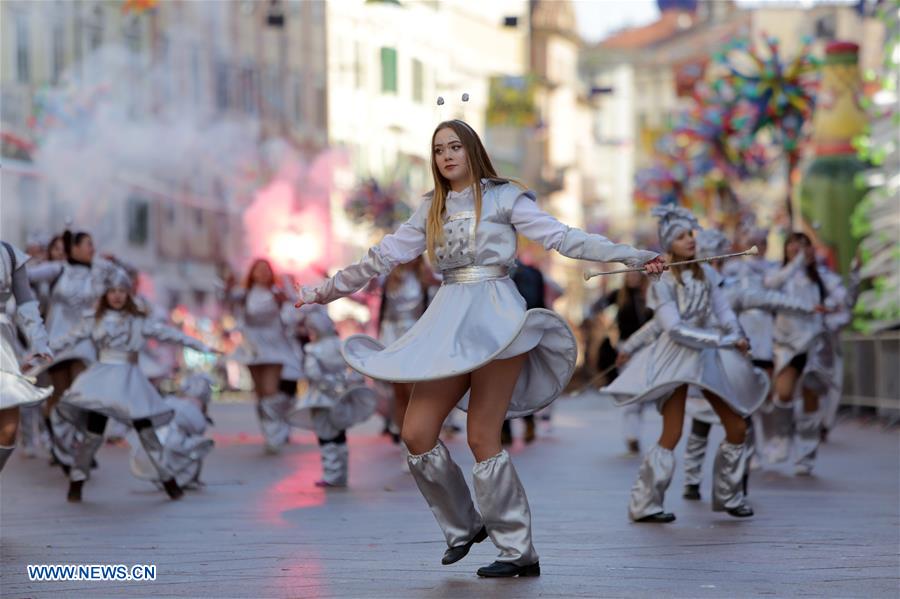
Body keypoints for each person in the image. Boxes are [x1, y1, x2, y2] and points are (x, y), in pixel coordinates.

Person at [297, 118, 663, 577]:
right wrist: (324, 290)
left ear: (471, 149)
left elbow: (562, 237)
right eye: (438, 150)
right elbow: (381, 257)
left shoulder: (506, 196)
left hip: (498, 320)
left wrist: (633, 256)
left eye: (454, 146)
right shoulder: (431, 207)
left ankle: (517, 549)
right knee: (416, 432)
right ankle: (466, 524)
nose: (446, 156)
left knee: (481, 437)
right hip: (447, 321)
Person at [601, 206, 766, 522]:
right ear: (667, 244)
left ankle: (730, 495)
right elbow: (670, 327)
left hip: (707, 356)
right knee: (672, 432)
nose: (690, 240)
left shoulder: (707, 273)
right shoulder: (661, 282)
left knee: (736, 426)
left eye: (691, 233)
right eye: (680, 236)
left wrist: (736, 333)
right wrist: (632, 346)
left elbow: (724, 313)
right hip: (675, 358)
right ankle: (645, 503)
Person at [50, 267, 215, 502]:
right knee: (93, 435)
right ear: (105, 294)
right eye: (112, 291)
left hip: (130, 383)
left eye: (122, 291)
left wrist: (202, 346)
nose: (117, 296)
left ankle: (168, 479)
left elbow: (169, 334)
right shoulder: (93, 320)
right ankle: (77, 479)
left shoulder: (138, 321)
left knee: (147, 432)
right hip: (102, 383)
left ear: (129, 293)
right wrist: (43, 352)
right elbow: (68, 339)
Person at [764, 232, 849, 475]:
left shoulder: (823, 279)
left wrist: (831, 314)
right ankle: (781, 437)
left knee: (811, 398)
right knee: (783, 393)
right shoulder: (777, 274)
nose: (798, 248)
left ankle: (806, 453)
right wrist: (795, 265)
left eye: (804, 244)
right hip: (786, 345)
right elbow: (770, 287)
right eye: (793, 243)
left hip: (813, 344)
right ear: (786, 248)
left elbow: (843, 306)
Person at [288, 306, 376, 487]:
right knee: (340, 434)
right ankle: (340, 474)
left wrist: (329, 386)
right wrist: (345, 383)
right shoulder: (341, 345)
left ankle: (332, 474)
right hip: (341, 397)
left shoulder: (313, 349)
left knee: (326, 436)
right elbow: (356, 369)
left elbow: (313, 373)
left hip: (320, 399)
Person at [225, 259, 302, 454]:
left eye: (266, 269)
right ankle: (269, 433)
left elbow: (292, 314)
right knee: (260, 394)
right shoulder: (244, 295)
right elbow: (228, 301)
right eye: (258, 270)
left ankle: (276, 432)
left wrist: (287, 295)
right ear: (252, 273)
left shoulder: (277, 294)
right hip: (253, 347)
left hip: (275, 346)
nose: (262, 273)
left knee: (270, 391)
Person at [0, 240, 53, 471]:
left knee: (9, 429)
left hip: (2, 346)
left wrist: (39, 340)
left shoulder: (9, 253)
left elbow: (26, 303)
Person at [129, 373, 216, 490]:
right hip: (170, 454)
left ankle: (173, 477)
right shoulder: (192, 410)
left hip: (146, 456)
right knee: (203, 443)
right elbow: (198, 428)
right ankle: (186, 478)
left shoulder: (170, 402)